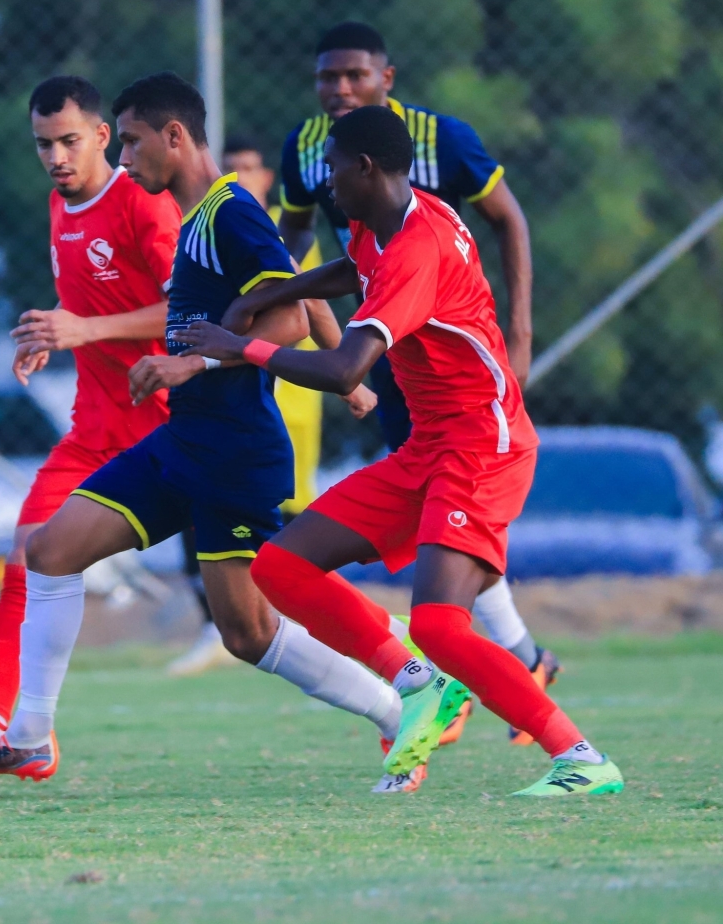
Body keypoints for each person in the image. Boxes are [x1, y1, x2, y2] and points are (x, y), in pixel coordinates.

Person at [0, 74, 462, 785]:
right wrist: (342, 375)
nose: (123, 158)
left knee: (247, 633)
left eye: (129, 141)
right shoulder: (197, 220)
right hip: (184, 441)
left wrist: (189, 366)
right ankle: (30, 737)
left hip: (234, 450)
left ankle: (397, 705)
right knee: (52, 549)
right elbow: (295, 296)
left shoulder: (227, 213)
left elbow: (281, 309)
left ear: (175, 137)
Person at [179, 106, 624, 797]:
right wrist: (279, 291)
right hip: (431, 445)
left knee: (441, 626)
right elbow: (353, 269)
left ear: (365, 169)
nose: (324, 183)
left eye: (332, 169)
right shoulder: (378, 219)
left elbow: (345, 371)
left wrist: (243, 347)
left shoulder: (419, 247)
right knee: (282, 567)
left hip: (483, 444)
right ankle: (420, 685)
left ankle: (582, 759)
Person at [279, 21, 559, 745]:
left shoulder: (439, 154)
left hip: (461, 395)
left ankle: (546, 714)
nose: (339, 89)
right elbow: (319, 249)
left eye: (354, 76)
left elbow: (507, 220)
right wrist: (264, 295)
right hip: (405, 377)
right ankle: (450, 674)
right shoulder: (330, 168)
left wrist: (521, 339)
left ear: (387, 80)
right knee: (291, 566)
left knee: (443, 594)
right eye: (327, 78)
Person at [0, 75, 180, 749]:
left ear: (103, 135)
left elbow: (186, 313)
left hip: (172, 430)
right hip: (94, 429)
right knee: (29, 553)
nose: (57, 157)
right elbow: (85, 306)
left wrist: (86, 331)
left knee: (262, 597)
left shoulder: (145, 206)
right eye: (44, 144)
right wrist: (50, 338)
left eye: (69, 140)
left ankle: (406, 676)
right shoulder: (58, 205)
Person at [168, 136, 376, 677]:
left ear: (267, 179)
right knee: (228, 531)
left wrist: (347, 380)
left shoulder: (248, 220)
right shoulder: (205, 220)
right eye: (231, 167)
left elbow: (306, 301)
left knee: (285, 541)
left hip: (284, 404)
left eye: (249, 168)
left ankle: (381, 639)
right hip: (228, 405)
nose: (238, 175)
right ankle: (225, 623)